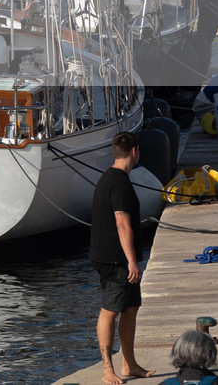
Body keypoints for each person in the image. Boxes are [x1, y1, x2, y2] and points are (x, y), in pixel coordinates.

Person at [91, 132, 147, 385]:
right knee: (110, 311)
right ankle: (107, 369)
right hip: (114, 259)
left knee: (131, 308)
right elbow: (122, 223)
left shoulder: (110, 177)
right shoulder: (120, 182)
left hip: (118, 257)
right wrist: (132, 262)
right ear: (134, 151)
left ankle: (129, 364)